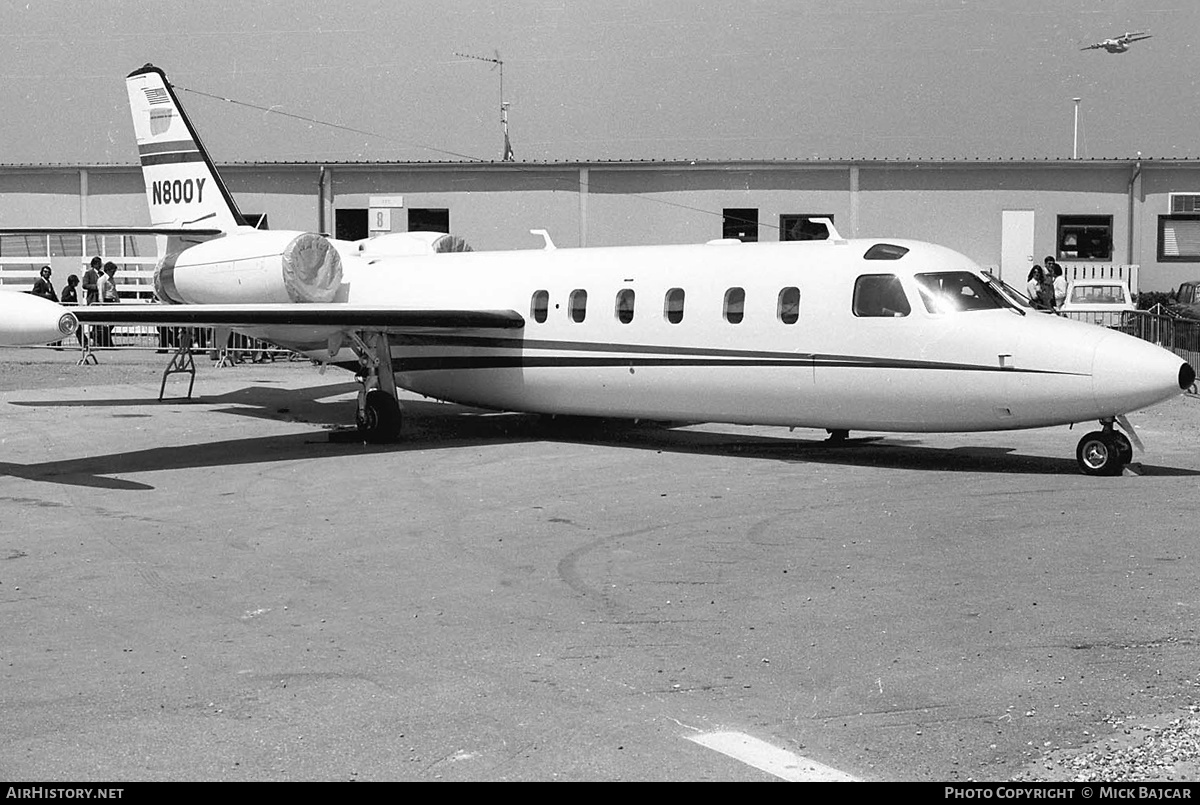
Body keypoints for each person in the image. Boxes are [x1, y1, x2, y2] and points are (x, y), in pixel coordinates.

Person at [59, 274, 84, 346]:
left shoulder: (73, 289)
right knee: (64, 328)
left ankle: (84, 343)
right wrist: (70, 297)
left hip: (73, 310)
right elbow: (63, 299)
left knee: (78, 328)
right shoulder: (67, 289)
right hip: (68, 311)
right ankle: (56, 343)